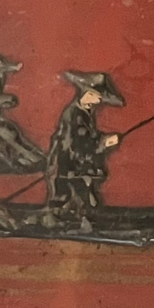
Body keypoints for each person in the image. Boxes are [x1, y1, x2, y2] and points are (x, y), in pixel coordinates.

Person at [45, 71, 125, 216]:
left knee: (85, 198)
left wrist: (103, 141)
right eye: (96, 96)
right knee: (66, 198)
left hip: (75, 163)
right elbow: (79, 143)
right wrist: (104, 142)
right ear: (86, 94)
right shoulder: (75, 115)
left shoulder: (84, 114)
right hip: (67, 164)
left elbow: (86, 138)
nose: (99, 100)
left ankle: (82, 214)